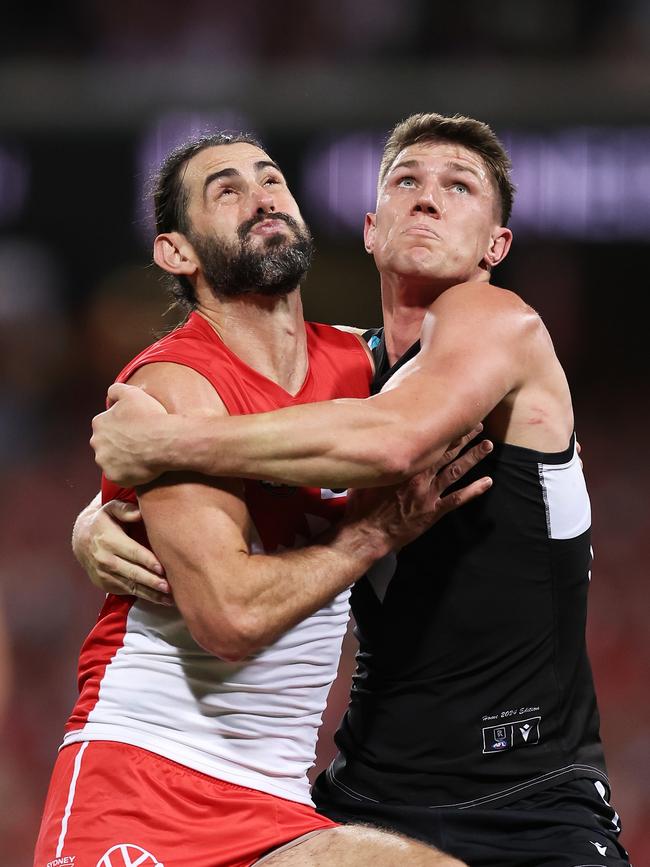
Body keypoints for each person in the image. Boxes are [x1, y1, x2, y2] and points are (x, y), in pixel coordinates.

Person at [84, 113, 631, 866]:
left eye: (458, 186)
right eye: (407, 180)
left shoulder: (497, 321)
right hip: (364, 801)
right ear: (371, 231)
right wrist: (101, 514)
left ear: (496, 246)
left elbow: (394, 438)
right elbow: (279, 411)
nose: (428, 198)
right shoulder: (348, 372)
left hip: (525, 801)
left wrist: (166, 445)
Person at [35, 132, 489, 867]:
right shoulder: (173, 386)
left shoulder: (366, 368)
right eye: (226, 189)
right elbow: (230, 616)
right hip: (141, 783)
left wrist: (89, 524)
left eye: (271, 178)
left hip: (276, 803)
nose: (261, 196)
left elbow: (527, 445)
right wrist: (370, 536)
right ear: (176, 253)